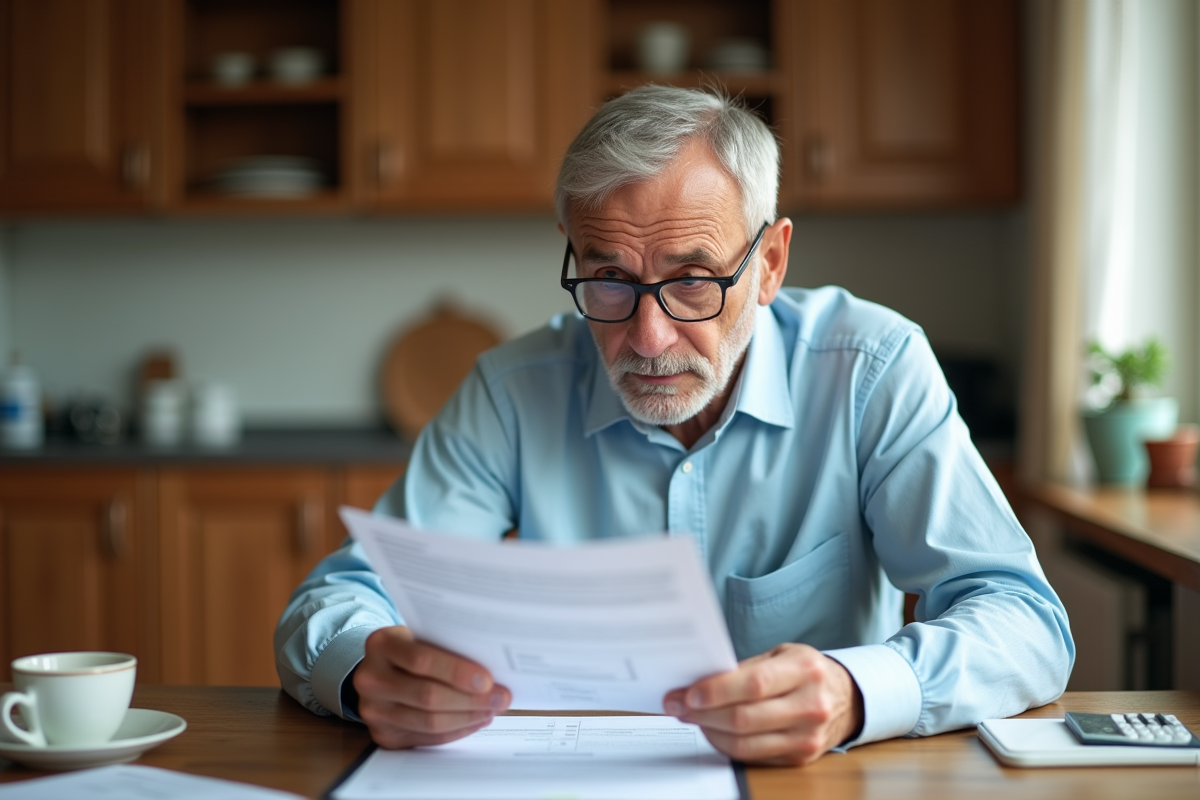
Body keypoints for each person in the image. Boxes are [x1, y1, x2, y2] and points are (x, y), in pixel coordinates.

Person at [275, 85, 1074, 766]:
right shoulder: (513, 392)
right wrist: (366, 671)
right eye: (609, 278)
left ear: (769, 264)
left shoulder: (871, 369)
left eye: (693, 280)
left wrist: (855, 692)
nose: (649, 339)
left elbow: (1023, 619)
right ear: (573, 254)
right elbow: (338, 598)